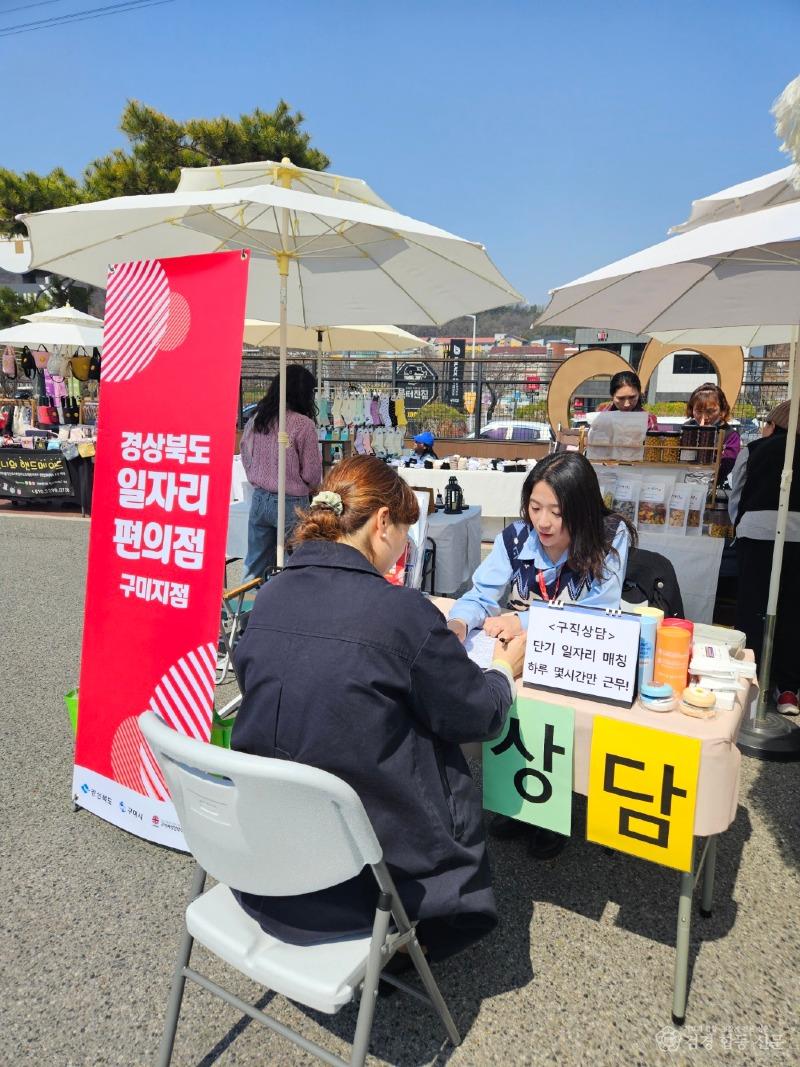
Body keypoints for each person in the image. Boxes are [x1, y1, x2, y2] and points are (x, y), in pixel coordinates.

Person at [231, 455, 526, 961]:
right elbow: (476, 714)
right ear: (382, 522)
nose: (403, 550)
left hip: (264, 861)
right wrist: (502, 669)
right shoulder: (399, 611)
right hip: (368, 885)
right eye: (405, 534)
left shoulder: (272, 593)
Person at [447, 451, 637, 857]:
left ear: (582, 510)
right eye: (535, 508)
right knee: (519, 714)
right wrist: (460, 622)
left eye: (557, 511)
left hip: (577, 659)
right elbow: (481, 594)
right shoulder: (516, 538)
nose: (544, 522)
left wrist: (523, 621)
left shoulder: (609, 537)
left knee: (560, 726)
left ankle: (554, 810)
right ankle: (521, 801)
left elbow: (597, 612)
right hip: (522, 658)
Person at [728, 400, 800, 714]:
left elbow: (737, 493)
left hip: (755, 531)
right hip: (798, 536)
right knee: (793, 610)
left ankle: (750, 684)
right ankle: (788, 691)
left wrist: (739, 525)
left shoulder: (753, 450)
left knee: (751, 606)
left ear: (774, 425)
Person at [239, 365, 323, 580]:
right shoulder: (303, 424)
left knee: (255, 563)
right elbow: (312, 473)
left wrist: (257, 476)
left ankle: (246, 600)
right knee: (297, 564)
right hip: (292, 502)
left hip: (260, 498)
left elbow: (245, 453)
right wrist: (309, 487)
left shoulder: (258, 418)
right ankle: (288, 600)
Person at [683, 382, 741, 481]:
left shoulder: (730, 435)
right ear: (692, 409)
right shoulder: (687, 428)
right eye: (698, 411)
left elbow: (727, 467)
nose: (704, 417)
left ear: (722, 411)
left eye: (710, 411)